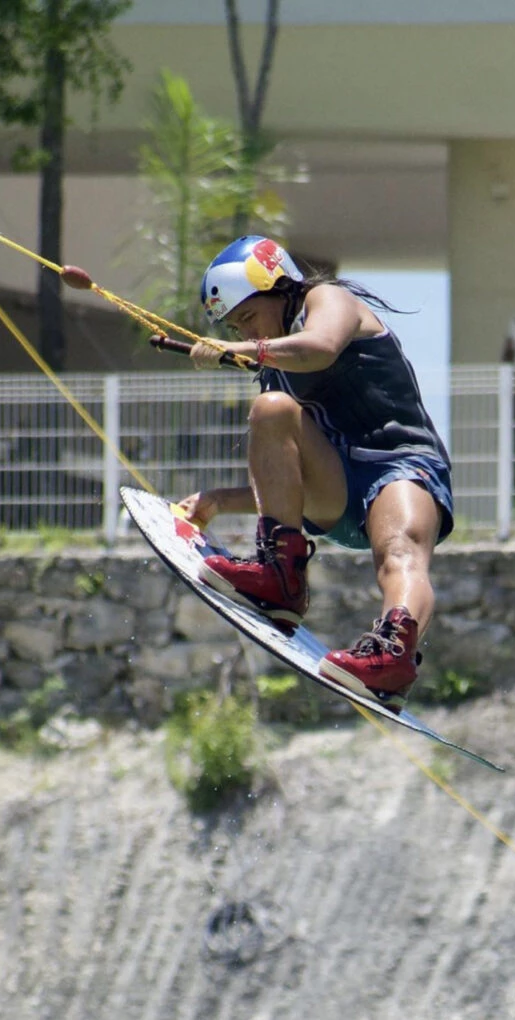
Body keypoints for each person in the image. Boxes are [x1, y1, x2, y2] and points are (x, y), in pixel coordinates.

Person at [178, 235, 453, 714]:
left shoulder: (328, 302)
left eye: (247, 318)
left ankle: (392, 657)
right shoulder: (274, 368)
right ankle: (280, 576)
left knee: (400, 555)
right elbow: (287, 481)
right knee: (271, 408)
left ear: (281, 287)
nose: (245, 335)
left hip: (401, 468)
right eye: (236, 328)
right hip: (336, 494)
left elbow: (321, 348)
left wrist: (240, 348)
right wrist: (219, 500)